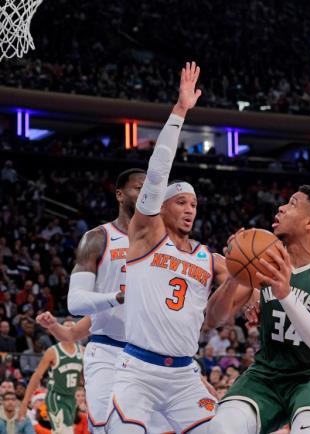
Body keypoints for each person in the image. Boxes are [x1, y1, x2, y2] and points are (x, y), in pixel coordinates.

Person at [105, 61, 230, 433]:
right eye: (181, 203)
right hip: (138, 371)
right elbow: (158, 174)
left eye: (194, 204)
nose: (190, 209)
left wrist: (254, 295)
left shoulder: (209, 257)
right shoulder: (144, 236)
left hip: (184, 374)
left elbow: (242, 281)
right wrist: (179, 112)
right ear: (160, 206)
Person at [206, 185, 310, 434]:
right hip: (267, 373)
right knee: (221, 428)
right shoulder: (262, 257)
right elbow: (213, 320)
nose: (281, 208)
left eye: (292, 204)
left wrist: (286, 296)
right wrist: (236, 274)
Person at [37, 168, 176, 431]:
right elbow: (75, 302)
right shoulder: (98, 237)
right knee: (105, 426)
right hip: (108, 350)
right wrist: (119, 296)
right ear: (120, 195)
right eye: (138, 187)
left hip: (151, 353)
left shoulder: (166, 243)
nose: (146, 192)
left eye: (150, 188)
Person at [18, 320, 83, 434]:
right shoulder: (53, 351)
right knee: (63, 431)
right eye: (66, 327)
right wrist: (24, 402)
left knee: (67, 430)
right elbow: (36, 376)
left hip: (71, 397)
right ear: (60, 331)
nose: (69, 329)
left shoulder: (82, 350)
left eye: (72, 327)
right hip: (55, 397)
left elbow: (83, 378)